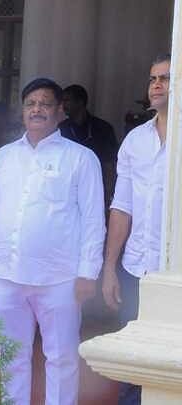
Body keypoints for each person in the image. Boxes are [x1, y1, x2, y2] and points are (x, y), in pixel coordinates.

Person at [0, 78, 106, 405]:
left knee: (61, 358)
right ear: (22, 111)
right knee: (11, 356)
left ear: (60, 111)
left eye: (45, 104)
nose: (37, 109)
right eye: (31, 104)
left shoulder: (80, 158)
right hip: (6, 274)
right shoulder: (4, 157)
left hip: (59, 278)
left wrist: (88, 272)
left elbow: (93, 219)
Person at [101, 53, 171, 405]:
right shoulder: (135, 141)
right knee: (131, 364)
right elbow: (122, 208)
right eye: (153, 78)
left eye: (166, 78)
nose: (156, 84)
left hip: (174, 274)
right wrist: (110, 267)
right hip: (135, 269)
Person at [59, 84, 119, 208]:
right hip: (66, 191)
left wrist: (108, 195)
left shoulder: (103, 128)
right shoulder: (60, 129)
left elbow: (110, 165)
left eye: (67, 100)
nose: (63, 105)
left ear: (80, 102)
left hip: (96, 189)